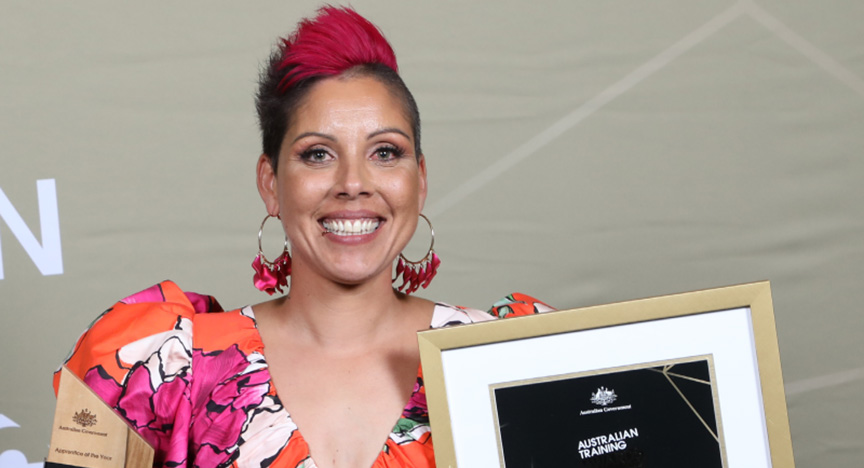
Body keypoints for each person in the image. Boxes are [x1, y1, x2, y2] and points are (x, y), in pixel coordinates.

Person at [54, 6, 551, 468]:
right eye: (318, 154)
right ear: (270, 184)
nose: (353, 183)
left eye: (385, 152)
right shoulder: (160, 369)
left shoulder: (513, 360)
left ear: (419, 181)